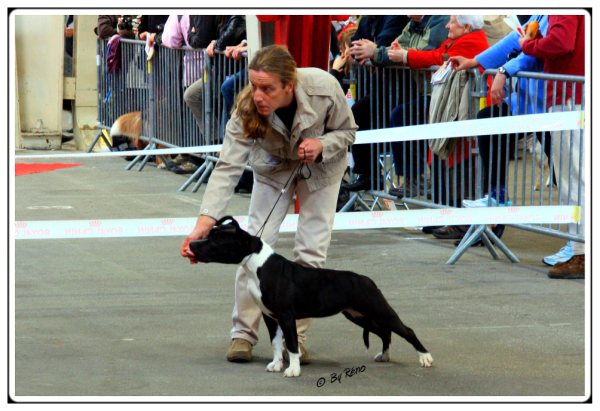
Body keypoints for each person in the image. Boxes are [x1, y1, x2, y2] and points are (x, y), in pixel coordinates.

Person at [180, 45, 357, 363]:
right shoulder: (245, 109)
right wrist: (205, 221)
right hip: (273, 170)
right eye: (254, 85)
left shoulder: (324, 87)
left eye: (267, 88)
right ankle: (243, 335)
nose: (258, 95)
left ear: (289, 85)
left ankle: (296, 338)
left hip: (322, 169)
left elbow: (348, 131)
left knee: (311, 252)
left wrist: (322, 143)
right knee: (251, 246)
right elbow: (227, 167)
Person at [389, 15, 490, 240]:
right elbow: (438, 55)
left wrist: (405, 55)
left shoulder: (470, 41)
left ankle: (460, 222)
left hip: (465, 113)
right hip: (452, 109)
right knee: (446, 162)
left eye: (452, 22)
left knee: (461, 167)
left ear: (465, 26)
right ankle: (445, 216)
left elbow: (438, 56)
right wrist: (402, 51)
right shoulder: (458, 39)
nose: (446, 25)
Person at [449, 16, 550, 209]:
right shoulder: (540, 13)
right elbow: (517, 39)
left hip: (552, 103)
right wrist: (475, 61)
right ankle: (497, 195)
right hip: (528, 101)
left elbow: (534, 48)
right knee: (488, 121)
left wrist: (503, 71)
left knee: (568, 174)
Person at [519, 15, 585, 279]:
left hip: (569, 96)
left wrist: (528, 45)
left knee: (574, 179)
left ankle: (582, 253)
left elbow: (560, 42)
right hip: (578, 93)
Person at [380, 15, 450, 198]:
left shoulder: (439, 21)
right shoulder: (413, 23)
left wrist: (404, 54)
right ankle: (417, 180)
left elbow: (429, 53)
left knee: (403, 117)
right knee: (402, 117)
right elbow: (394, 47)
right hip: (431, 92)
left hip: (444, 95)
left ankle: (430, 187)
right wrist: (396, 52)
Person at [341, 15, 410, 191]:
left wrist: (373, 51)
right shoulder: (366, 20)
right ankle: (368, 174)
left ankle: (399, 178)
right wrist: (367, 52)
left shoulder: (394, 16)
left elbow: (383, 43)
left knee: (361, 113)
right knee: (356, 114)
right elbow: (355, 46)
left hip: (403, 87)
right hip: (381, 86)